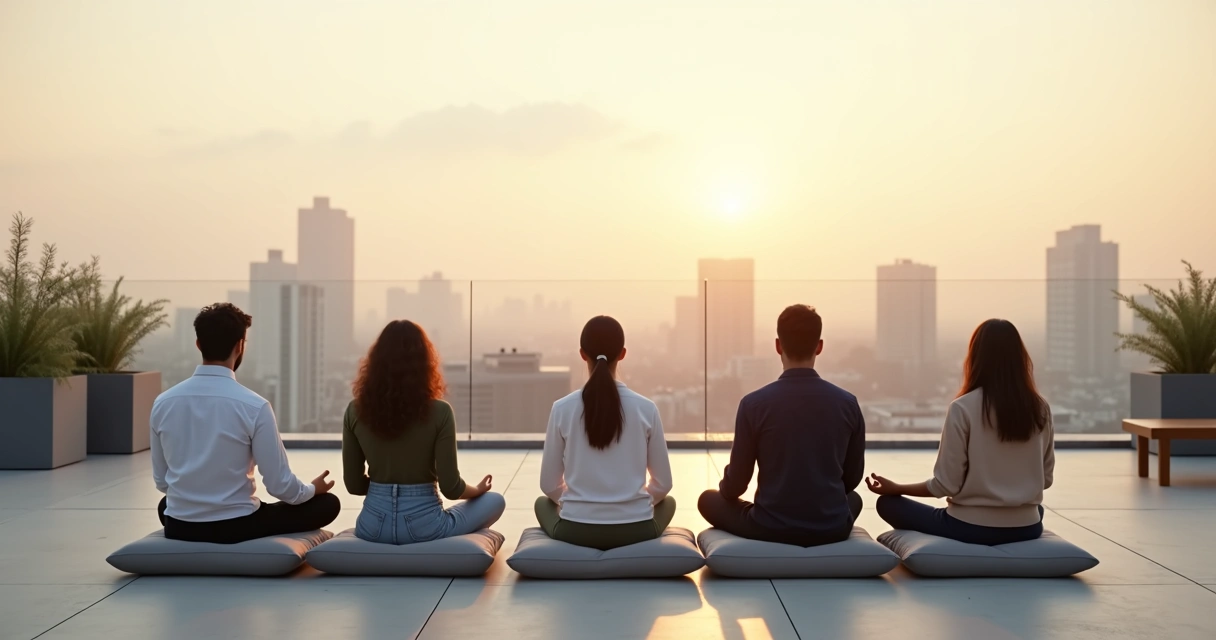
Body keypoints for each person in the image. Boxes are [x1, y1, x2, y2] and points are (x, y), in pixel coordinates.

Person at [151, 303, 340, 544]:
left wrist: (195, 502)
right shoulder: (254, 405)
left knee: (166, 506)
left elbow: (162, 481)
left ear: (198, 344)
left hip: (180, 527)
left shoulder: (163, 402)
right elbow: (279, 485)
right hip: (237, 527)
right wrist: (312, 490)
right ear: (240, 345)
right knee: (328, 504)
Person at [866, 319, 1054, 545]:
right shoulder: (1040, 408)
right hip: (1027, 528)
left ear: (975, 357)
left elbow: (946, 485)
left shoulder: (962, 408)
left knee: (888, 504)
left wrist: (897, 488)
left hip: (969, 528)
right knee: (1035, 510)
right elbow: (1045, 480)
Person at [698, 304, 865, 547]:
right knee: (855, 499)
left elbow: (735, 486)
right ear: (819, 346)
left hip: (769, 527)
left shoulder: (753, 404)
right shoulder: (848, 404)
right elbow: (851, 479)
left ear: (778, 346)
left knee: (707, 500)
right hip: (831, 527)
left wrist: (726, 488)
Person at [343, 320, 505, 544]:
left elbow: (353, 485)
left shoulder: (354, 410)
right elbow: (451, 487)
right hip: (424, 526)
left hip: (372, 527)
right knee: (495, 501)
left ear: (376, 362)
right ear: (424, 363)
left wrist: (386, 490)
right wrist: (476, 490)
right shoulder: (440, 412)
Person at [537, 315, 674, 550]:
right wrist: (632, 505)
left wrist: (579, 505)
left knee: (542, 504)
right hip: (636, 530)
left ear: (582, 354)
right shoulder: (646, 408)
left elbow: (549, 485)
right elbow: (663, 485)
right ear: (622, 353)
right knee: (668, 503)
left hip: (576, 531)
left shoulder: (562, 408)